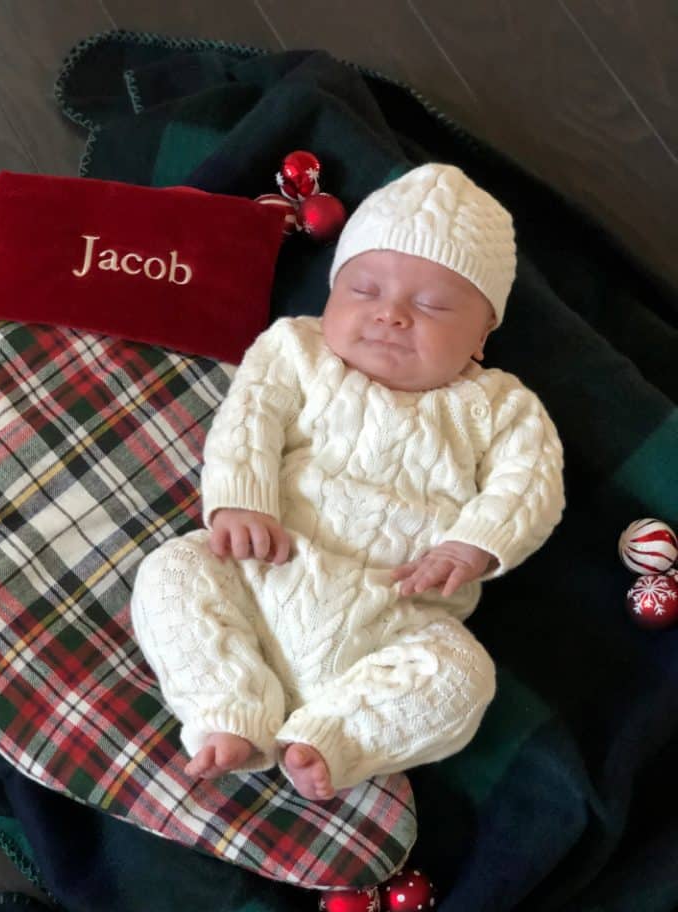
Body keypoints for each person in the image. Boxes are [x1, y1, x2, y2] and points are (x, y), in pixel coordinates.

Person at [130, 163, 565, 801]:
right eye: (364, 290)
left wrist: (471, 544)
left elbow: (530, 483)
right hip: (264, 566)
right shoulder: (296, 351)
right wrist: (242, 502)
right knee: (171, 569)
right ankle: (229, 708)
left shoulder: (500, 406)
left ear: (482, 333)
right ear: (331, 293)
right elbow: (249, 420)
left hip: (396, 615)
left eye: (431, 305)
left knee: (465, 678)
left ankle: (333, 738)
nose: (390, 315)